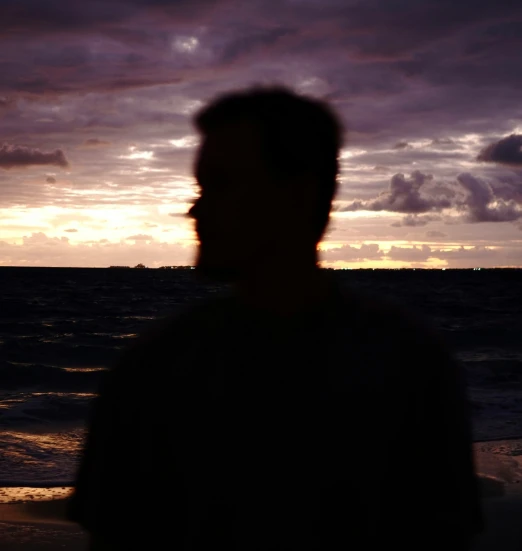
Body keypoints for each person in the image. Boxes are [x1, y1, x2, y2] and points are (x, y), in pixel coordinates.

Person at [66, 84, 484, 550]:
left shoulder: (410, 365)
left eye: (219, 185)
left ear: (300, 195)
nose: (194, 209)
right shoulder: (150, 369)